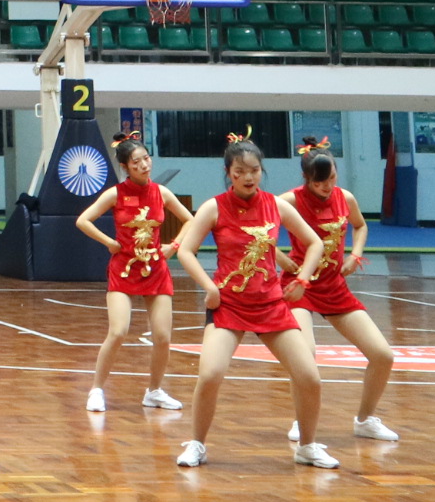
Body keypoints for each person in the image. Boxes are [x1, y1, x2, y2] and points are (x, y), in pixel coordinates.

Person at [170, 133, 331, 469]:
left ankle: (307, 446)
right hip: (228, 305)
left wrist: (302, 279)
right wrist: (209, 287)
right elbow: (185, 250)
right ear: (228, 172)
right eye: (240, 171)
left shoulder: (276, 205)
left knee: (309, 377)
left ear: (262, 170)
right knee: (211, 374)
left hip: (270, 304)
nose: (248, 177)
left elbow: (315, 243)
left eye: (254, 170)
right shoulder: (214, 207)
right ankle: (197, 444)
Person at [280, 138, 398, 443]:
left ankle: (365, 419)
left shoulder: (345, 197)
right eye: (319, 182)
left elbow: (360, 226)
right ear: (306, 178)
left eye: (331, 178)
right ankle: (301, 420)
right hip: (300, 286)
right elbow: (258, 229)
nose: (327, 186)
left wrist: (355, 255)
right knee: (305, 354)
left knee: (382, 355)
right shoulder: (290, 200)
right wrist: (281, 259)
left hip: (334, 285)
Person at [73, 133, 192, 413]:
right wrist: (109, 242)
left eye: (146, 159)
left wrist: (174, 246)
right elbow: (83, 220)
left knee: (163, 336)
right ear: (125, 166)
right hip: (124, 269)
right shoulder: (115, 193)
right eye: (136, 162)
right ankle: (96, 389)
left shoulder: (161, 192)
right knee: (118, 331)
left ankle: (155, 391)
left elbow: (190, 220)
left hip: (156, 269)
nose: (144, 165)